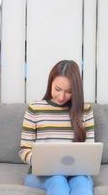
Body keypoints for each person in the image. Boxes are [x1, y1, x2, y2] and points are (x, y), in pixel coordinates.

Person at [19, 60, 95, 195]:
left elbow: (90, 150)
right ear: (50, 84)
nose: (61, 97)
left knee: (82, 187)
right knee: (58, 181)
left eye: (69, 92)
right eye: (57, 89)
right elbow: (24, 150)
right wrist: (43, 162)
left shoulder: (85, 110)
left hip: (77, 173)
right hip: (42, 174)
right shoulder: (34, 109)